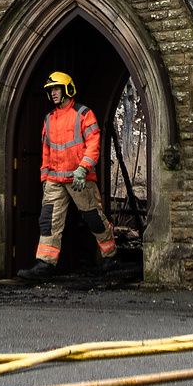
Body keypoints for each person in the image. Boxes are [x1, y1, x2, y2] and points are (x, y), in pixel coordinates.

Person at [18, 71, 120, 279]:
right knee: (48, 221)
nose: (53, 93)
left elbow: (93, 144)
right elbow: (46, 151)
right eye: (50, 90)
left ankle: (110, 257)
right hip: (55, 180)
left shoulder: (83, 114)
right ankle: (45, 263)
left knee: (94, 218)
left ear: (67, 89)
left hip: (79, 179)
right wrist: (45, 179)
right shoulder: (49, 119)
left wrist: (83, 168)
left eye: (56, 89)